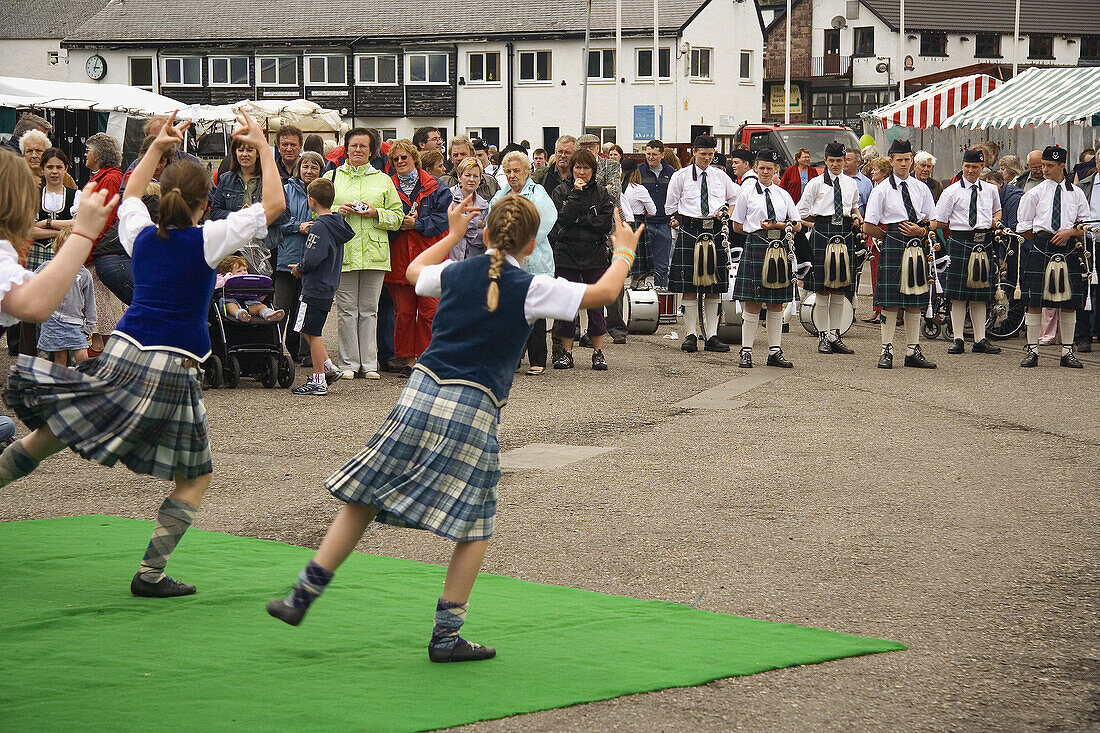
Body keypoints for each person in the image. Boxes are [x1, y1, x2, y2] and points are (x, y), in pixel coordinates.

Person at [265, 194, 642, 664]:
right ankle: (446, 637)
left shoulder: (454, 272)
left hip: (421, 391)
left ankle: (303, 594)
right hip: (473, 404)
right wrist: (624, 249)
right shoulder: (533, 286)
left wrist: (452, 234)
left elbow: (410, 273)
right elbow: (605, 294)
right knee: (476, 525)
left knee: (363, 498)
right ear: (530, 245)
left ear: (485, 235)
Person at [0, 111, 285, 597]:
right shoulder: (209, 239)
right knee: (194, 476)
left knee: (52, 434)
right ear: (203, 203)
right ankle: (150, 574)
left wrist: (156, 146)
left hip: (121, 351)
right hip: (172, 363)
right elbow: (275, 203)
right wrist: (261, 143)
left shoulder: (139, 233)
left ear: (164, 195)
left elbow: (130, 195)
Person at [322, 128, 404, 380]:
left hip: (374, 252)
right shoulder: (332, 177)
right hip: (344, 251)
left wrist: (375, 213)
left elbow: (398, 217)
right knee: (346, 310)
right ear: (346, 148)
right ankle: (348, 363)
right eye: (354, 145)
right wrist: (339, 210)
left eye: (363, 146)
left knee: (369, 309)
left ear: (372, 151)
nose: (358, 150)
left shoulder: (383, 179)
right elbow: (318, 210)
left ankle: (369, 363)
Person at [862, 139, 938, 370]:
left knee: (915, 301)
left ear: (911, 160)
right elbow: (868, 226)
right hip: (894, 243)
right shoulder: (882, 189)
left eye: (907, 159)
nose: (903, 164)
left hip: (917, 243)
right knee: (890, 302)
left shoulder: (921, 188)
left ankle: (912, 351)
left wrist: (922, 230)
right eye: (899, 160)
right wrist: (889, 237)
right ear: (891, 161)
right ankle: (886, 350)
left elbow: (934, 220)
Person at [1015, 145, 1091, 369]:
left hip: (1068, 247)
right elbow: (1023, 226)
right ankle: (1032, 351)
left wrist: (1070, 232)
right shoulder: (1035, 193)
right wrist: (1043, 240)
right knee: (1034, 301)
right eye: (1043, 165)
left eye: (1049, 166)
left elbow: (1085, 226)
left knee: (1069, 303)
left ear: (1062, 166)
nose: (1045, 170)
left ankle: (1067, 352)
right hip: (1041, 246)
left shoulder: (1076, 193)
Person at [666, 134, 740, 355]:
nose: (707, 158)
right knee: (688, 286)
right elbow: (670, 206)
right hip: (690, 229)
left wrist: (727, 212)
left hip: (715, 230)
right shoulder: (680, 177)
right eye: (703, 154)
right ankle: (690, 334)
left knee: (713, 287)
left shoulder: (720, 176)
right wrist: (680, 219)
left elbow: (735, 199)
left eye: (710, 154)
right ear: (694, 153)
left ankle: (711, 335)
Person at [386, 139, 453, 375]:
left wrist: (417, 224)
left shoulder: (435, 186)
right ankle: (407, 361)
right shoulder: (387, 186)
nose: (401, 162)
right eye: (396, 159)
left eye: (405, 157)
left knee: (429, 311)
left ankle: (428, 359)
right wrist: (398, 225)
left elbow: (445, 219)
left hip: (428, 257)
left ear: (414, 158)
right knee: (403, 314)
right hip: (400, 259)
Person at [730, 149, 801, 368]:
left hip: (778, 247)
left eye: (769, 168)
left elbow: (797, 224)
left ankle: (774, 351)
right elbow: (736, 225)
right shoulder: (747, 193)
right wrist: (756, 234)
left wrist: (779, 226)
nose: (765, 171)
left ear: (776, 170)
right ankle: (746, 351)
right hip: (756, 245)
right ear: (755, 168)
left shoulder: (783, 195)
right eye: (761, 167)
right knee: (752, 303)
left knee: (776, 303)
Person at [490, 151, 557, 375]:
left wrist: (522, 243)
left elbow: (546, 218)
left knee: (534, 309)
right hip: (508, 259)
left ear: (527, 172)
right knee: (510, 310)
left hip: (534, 258)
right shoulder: (501, 195)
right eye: (508, 171)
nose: (512, 175)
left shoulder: (537, 192)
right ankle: (513, 358)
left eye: (516, 170)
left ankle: (538, 358)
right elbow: (492, 220)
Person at [932, 148, 1003, 356]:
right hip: (961, 241)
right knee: (958, 295)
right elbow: (941, 220)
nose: (971, 170)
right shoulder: (950, 191)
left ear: (982, 168)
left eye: (975, 167)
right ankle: (958, 339)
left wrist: (996, 220)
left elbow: (997, 210)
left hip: (984, 241)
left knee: (980, 294)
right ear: (962, 166)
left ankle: (980, 339)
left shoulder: (990, 190)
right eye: (967, 166)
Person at [549, 148, 615, 370]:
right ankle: (566, 352)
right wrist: (575, 195)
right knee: (567, 304)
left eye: (586, 168)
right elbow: (563, 220)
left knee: (596, 304)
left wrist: (583, 220)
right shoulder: (560, 191)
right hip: (567, 253)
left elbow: (606, 223)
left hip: (594, 253)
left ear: (593, 170)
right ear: (571, 168)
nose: (582, 171)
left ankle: (598, 352)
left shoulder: (601, 193)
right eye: (578, 167)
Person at [290, 177, 355, 394]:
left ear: (311, 200)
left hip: (315, 285)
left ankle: (319, 379)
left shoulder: (319, 226)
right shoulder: (335, 223)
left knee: (312, 331)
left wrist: (300, 268)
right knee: (304, 328)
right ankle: (328, 367)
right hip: (327, 285)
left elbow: (313, 257)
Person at [797, 141, 862, 355]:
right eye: (832, 161)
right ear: (825, 161)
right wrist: (814, 226)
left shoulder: (851, 183)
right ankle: (823, 336)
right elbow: (800, 211)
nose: (835, 164)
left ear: (845, 161)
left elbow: (853, 206)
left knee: (839, 289)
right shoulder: (815, 184)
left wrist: (856, 217)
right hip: (822, 232)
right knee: (823, 290)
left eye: (839, 161)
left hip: (843, 233)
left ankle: (835, 336)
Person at [209, 134, 284, 274]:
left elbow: (284, 214)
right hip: (234, 248)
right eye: (240, 150)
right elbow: (214, 212)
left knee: (264, 292)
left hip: (266, 248)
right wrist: (240, 215)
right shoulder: (226, 179)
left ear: (257, 154)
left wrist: (259, 215)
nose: (244, 154)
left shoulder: (270, 180)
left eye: (249, 150)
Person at [276, 150, 326, 365]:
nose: (309, 171)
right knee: (281, 308)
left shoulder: (324, 193)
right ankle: (274, 348)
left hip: (313, 260)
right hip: (287, 257)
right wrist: (298, 226)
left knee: (307, 308)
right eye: (305, 166)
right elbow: (276, 220)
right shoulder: (285, 191)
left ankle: (305, 354)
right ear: (298, 168)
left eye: (314, 167)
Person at [81, 133, 126, 357]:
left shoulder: (110, 178)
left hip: (101, 249)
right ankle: (98, 343)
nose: (86, 153)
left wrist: (89, 249)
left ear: (99, 153)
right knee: (98, 300)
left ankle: (104, 348)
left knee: (104, 301)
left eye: (89, 149)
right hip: (96, 246)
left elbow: (106, 218)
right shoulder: (101, 176)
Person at [36, 228, 96, 366]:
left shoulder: (84, 274)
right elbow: (31, 283)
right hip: (52, 320)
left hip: (75, 322)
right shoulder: (48, 266)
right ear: (58, 247)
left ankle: (81, 381)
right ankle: (61, 383)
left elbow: (90, 302)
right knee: (59, 355)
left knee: (82, 355)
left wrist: (90, 325)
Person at [638, 140, 678, 290]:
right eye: (648, 154)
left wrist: (676, 218)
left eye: (654, 154)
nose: (650, 157)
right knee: (641, 266)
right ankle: (640, 299)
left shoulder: (672, 173)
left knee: (662, 267)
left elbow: (679, 197)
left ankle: (661, 298)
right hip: (644, 224)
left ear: (662, 154)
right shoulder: (638, 171)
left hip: (664, 224)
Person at [1072, 154, 1100, 352]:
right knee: (1084, 290)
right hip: (1087, 243)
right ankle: (1083, 337)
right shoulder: (1083, 186)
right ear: (1096, 163)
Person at [216, 256, 285, 322]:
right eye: (239, 271)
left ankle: (269, 314)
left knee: (261, 306)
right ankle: (239, 314)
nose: (243, 273)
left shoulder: (250, 280)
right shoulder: (222, 277)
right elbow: (216, 285)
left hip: (249, 303)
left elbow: (258, 297)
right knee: (230, 305)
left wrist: (263, 294)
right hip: (231, 301)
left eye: (245, 270)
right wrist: (227, 277)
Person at [621, 161, 657, 287]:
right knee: (639, 270)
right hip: (636, 225)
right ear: (636, 172)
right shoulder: (638, 189)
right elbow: (653, 211)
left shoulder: (617, 188)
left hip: (620, 226)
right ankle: (636, 291)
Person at [448, 157, 489, 260]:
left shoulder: (484, 205)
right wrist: (476, 223)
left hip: (474, 261)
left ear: (480, 179)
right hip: (451, 259)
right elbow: (446, 227)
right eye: (467, 175)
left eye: (475, 176)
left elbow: (484, 237)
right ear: (459, 177)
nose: (471, 179)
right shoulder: (448, 197)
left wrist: (461, 228)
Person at [443, 136, 499, 200]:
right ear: (451, 158)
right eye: (455, 155)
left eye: (463, 154)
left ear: (472, 155)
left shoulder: (490, 182)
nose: (459, 158)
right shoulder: (444, 182)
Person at [844, 149, 873, 215]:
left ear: (857, 163)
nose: (844, 162)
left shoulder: (866, 183)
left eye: (848, 159)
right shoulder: (837, 179)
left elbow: (869, 206)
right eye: (843, 159)